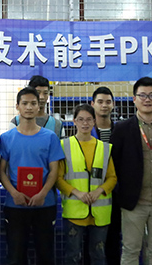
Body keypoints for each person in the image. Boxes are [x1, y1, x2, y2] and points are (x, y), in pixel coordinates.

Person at [108, 77, 152, 265]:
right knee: (131, 251)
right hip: (133, 203)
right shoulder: (122, 128)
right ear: (134, 99)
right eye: (142, 95)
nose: (147, 99)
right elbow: (113, 162)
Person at [0, 87, 65, 265]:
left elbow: (54, 170)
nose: (29, 107)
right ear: (17, 107)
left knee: (45, 255)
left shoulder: (50, 137)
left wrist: (43, 193)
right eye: (25, 103)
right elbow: (1, 171)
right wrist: (14, 193)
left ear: (38, 106)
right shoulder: (6, 138)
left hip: (44, 204)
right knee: (15, 256)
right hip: (15, 205)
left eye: (33, 103)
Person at [56, 104, 117, 265]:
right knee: (73, 256)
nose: (85, 123)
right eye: (81, 119)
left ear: (94, 121)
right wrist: (77, 193)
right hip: (74, 211)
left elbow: (112, 178)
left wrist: (99, 191)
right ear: (74, 121)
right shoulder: (64, 146)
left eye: (89, 119)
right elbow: (58, 179)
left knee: (98, 255)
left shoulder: (105, 148)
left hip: (99, 212)